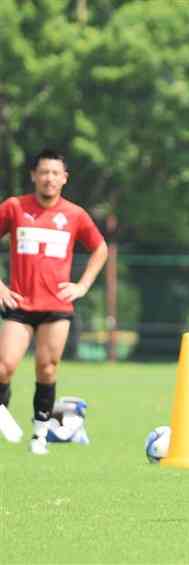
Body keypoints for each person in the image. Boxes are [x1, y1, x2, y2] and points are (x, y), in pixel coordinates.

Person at [0, 149, 108, 455]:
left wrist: (82, 285)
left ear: (64, 178)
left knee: (47, 369)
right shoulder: (15, 207)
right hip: (20, 304)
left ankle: (39, 435)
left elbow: (100, 249)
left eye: (55, 173)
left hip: (56, 306)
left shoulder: (75, 215)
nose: (49, 178)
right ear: (33, 175)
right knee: (4, 366)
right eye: (43, 172)